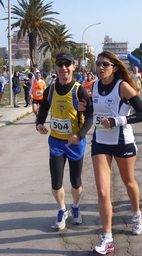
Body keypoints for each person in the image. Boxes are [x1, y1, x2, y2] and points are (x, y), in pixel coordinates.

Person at [91, 51, 142, 254]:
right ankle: (107, 238)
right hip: (100, 143)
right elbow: (96, 111)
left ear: (114, 67)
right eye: (98, 64)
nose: (100, 67)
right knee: (103, 191)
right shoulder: (94, 85)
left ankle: (136, 214)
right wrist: (84, 108)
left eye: (105, 64)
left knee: (128, 181)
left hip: (123, 142)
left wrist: (118, 121)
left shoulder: (122, 86)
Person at [36, 53, 93, 231]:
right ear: (56, 68)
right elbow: (44, 107)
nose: (63, 68)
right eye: (60, 65)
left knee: (75, 181)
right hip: (56, 143)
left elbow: (90, 115)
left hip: (75, 143)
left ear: (73, 67)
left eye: (67, 64)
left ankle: (75, 207)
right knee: (56, 181)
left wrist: (80, 135)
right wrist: (39, 123)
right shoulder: (51, 89)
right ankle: (62, 210)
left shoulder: (79, 90)